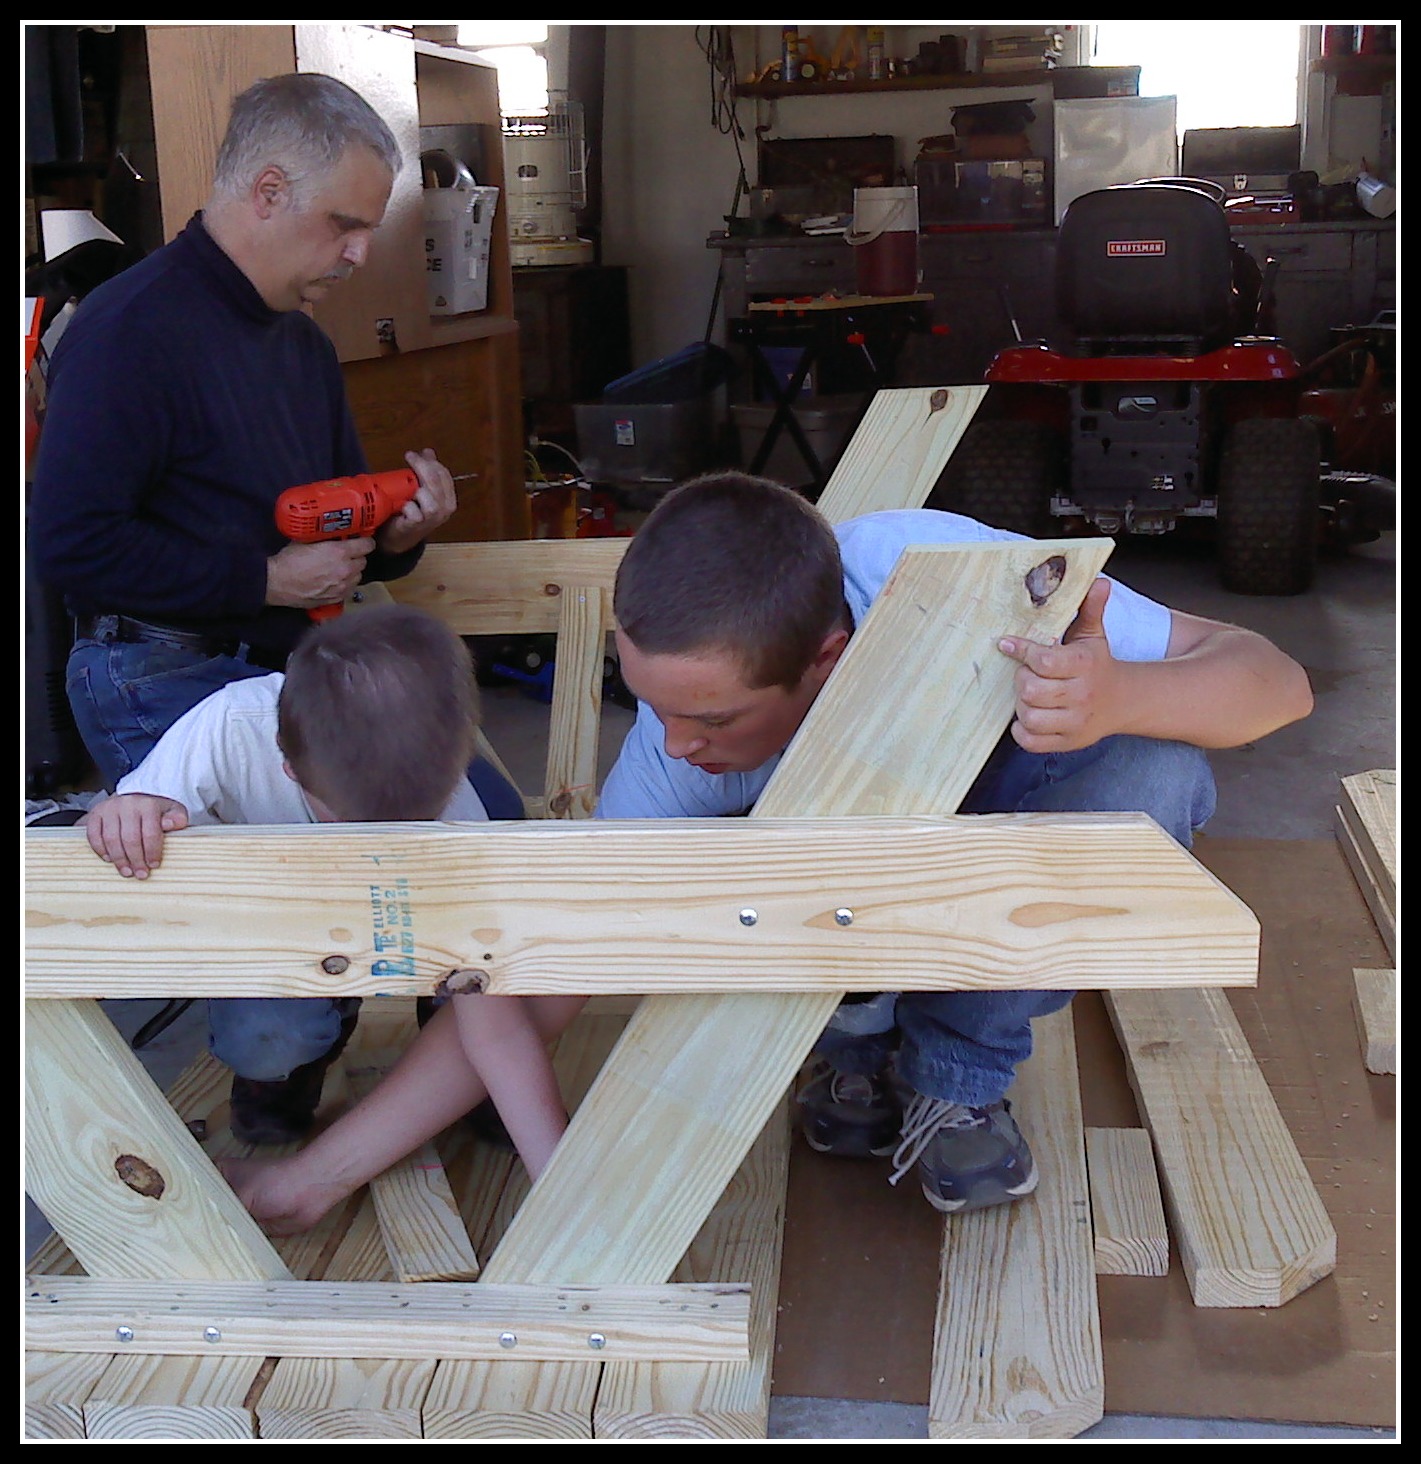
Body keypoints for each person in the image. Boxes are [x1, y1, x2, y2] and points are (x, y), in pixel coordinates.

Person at [592, 472, 1314, 1215]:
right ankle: (849, 1032)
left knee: (1153, 771)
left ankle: (957, 1067)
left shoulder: (955, 578)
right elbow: (591, 914)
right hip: (815, 894)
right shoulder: (680, 731)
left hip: (965, 827)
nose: (676, 744)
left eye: (712, 721)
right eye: (652, 706)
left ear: (827, 658)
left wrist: (1119, 696)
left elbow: (1279, 682)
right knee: (700, 868)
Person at [28, 71, 459, 797]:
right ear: (267, 193)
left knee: (477, 805)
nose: (358, 255)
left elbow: (335, 532)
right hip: (158, 671)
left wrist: (396, 537)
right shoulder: (128, 332)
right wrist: (265, 580)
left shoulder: (302, 345)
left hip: (280, 661)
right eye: (344, 226)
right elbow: (70, 544)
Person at [81, 604, 576, 1153]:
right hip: (276, 930)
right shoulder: (224, 727)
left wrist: (556, 1174)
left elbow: (496, 1022)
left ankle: (455, 1071)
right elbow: (118, 823)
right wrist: (124, 814)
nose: (375, 843)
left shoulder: (458, 807)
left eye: (411, 826)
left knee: (481, 976)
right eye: (353, 824)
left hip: (417, 910)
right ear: (287, 767)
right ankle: (284, 1074)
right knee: (267, 1041)